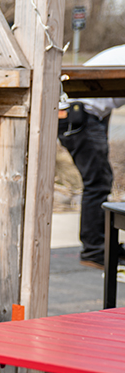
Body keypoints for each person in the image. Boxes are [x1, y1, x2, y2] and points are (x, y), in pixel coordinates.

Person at [59, 45, 125, 269]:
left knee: (99, 181)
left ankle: (100, 247)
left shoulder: (119, 53)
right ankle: (95, 250)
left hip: (83, 113)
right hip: (80, 114)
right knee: (97, 183)